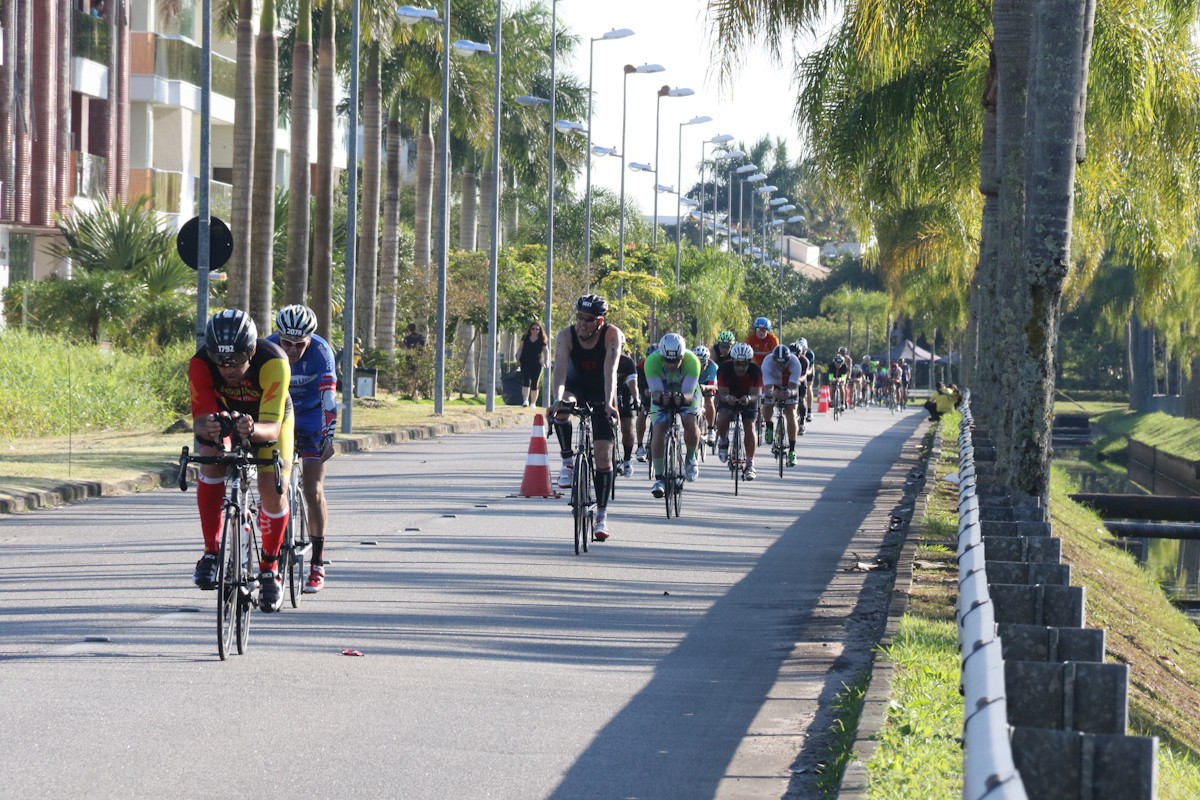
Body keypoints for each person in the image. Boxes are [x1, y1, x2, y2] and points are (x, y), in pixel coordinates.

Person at [188, 309, 294, 613]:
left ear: (251, 352)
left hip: (268, 420)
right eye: (220, 361)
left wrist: (251, 429)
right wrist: (210, 426)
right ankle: (211, 552)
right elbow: (200, 421)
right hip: (225, 416)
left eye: (235, 360)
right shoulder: (200, 364)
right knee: (210, 457)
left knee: (273, 486)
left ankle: (269, 567)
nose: (227, 368)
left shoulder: (274, 361)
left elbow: (272, 429)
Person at [266, 304, 336, 594]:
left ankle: (317, 563)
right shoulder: (267, 348)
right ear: (278, 336)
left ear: (310, 340)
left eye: (300, 344)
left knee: (312, 488)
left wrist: (329, 435)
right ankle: (271, 561)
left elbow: (329, 398)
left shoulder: (321, 351)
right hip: (280, 415)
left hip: (310, 416)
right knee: (272, 487)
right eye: (287, 343)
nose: (293, 350)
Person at [548, 294, 624, 541]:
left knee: (603, 456)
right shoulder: (566, 335)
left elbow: (611, 371)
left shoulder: (612, 335)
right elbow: (560, 370)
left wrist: (609, 404)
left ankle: (601, 516)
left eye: (588, 319)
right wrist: (557, 399)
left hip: (602, 389)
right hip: (575, 386)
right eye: (579, 317)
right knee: (563, 405)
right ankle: (567, 461)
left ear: (599, 321)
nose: (581, 323)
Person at [644, 333, 703, 497]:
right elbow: (656, 393)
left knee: (689, 420)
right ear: (661, 357)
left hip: (687, 392)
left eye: (676, 360)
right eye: (667, 360)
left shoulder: (693, 362)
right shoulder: (651, 362)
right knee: (659, 428)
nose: (671, 365)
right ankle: (659, 478)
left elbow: (689, 394)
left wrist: (682, 399)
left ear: (682, 357)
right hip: (661, 392)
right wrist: (660, 397)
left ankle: (691, 458)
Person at [715, 342, 762, 480]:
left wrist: (748, 398)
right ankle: (723, 441)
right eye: (737, 364)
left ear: (749, 362)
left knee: (750, 426)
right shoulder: (724, 368)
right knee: (722, 417)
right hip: (728, 395)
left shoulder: (755, 370)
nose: (741, 367)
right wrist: (727, 398)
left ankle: (750, 464)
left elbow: (755, 394)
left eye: (744, 364)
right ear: (732, 361)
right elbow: (722, 393)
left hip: (748, 398)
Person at [760, 344, 803, 466]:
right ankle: (769, 425)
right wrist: (773, 393)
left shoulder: (795, 363)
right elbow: (767, 389)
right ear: (773, 359)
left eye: (784, 363)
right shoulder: (767, 362)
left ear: (788, 359)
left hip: (789, 386)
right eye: (778, 363)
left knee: (791, 413)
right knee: (767, 405)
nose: (781, 366)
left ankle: (792, 450)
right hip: (773, 386)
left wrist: (789, 393)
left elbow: (794, 389)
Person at [616, 348, 639, 477]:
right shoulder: (600, 356)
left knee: (628, 428)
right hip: (604, 393)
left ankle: (627, 459)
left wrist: (636, 399)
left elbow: (633, 383)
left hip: (624, 393)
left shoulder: (627, 362)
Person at [515, 322, 547, 407]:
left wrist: (546, 361)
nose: (535, 331)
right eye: (533, 329)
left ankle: (533, 403)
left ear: (540, 330)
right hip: (525, 362)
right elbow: (520, 349)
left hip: (537, 363)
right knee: (526, 380)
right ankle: (525, 400)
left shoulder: (542, 339)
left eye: (537, 329)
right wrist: (517, 359)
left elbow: (545, 350)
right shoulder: (525, 337)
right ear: (530, 329)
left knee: (535, 382)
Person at [633, 345, 656, 462]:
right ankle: (640, 446)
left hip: (659, 391)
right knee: (643, 412)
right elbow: (638, 382)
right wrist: (645, 390)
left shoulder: (664, 364)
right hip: (646, 390)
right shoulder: (641, 367)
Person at [694, 345, 719, 446]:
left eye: (703, 363)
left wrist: (705, 387)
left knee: (709, 401)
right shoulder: (690, 364)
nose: (700, 366)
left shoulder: (713, 367)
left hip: (707, 385)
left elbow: (714, 385)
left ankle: (711, 429)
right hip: (694, 385)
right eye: (698, 363)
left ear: (707, 361)